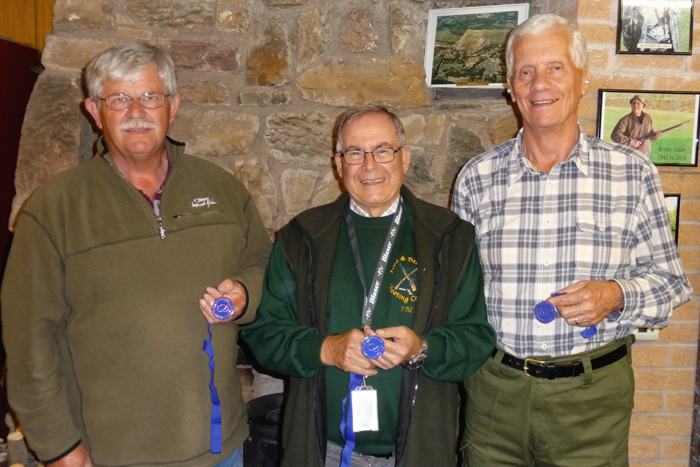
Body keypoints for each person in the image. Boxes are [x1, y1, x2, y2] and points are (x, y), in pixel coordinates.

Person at [1, 43, 272, 467]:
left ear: (173, 105)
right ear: (94, 111)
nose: (136, 111)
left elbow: (263, 264)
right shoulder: (53, 209)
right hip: (109, 455)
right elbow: (27, 342)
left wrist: (244, 291)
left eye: (150, 97)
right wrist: (59, 447)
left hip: (221, 449)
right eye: (119, 100)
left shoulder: (222, 190)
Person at [452, 14, 691, 467]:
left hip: (592, 399)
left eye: (556, 68)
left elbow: (671, 282)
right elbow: (457, 293)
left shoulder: (633, 174)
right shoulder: (476, 179)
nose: (539, 83)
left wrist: (616, 294)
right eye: (526, 71)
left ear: (583, 79)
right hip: (493, 397)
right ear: (511, 86)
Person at [242, 105, 495, 467]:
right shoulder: (302, 238)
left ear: (404, 158)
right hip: (321, 450)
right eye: (355, 153)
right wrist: (325, 349)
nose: (370, 165)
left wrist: (422, 349)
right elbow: (264, 334)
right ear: (338, 163)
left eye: (382, 150)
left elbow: (476, 337)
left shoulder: (450, 238)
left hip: (416, 451)